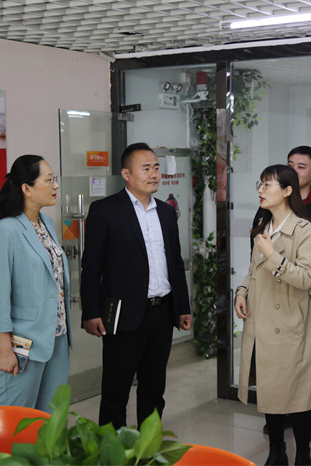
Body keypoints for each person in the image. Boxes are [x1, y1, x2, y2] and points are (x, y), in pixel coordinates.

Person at [80, 142, 192, 430]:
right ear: (126, 174)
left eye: (156, 168)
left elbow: (175, 263)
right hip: (122, 314)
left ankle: (148, 447)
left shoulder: (166, 212)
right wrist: (91, 312)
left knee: (154, 389)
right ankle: (112, 449)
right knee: (116, 391)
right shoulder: (105, 210)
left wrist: (182, 307)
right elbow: (91, 267)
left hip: (161, 312)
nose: (154, 174)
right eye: (146, 168)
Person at [253, 146, 311, 440]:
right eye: (290, 164)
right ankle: (281, 413)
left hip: (308, 298)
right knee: (278, 362)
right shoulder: (267, 209)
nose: (293, 169)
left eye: (301, 166)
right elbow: (256, 260)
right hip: (272, 300)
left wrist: (303, 290)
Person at [236, 164, 311, 466]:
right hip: (261, 321)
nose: (261, 190)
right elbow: (252, 271)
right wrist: (241, 292)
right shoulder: (263, 226)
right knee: (270, 390)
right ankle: (276, 451)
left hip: (289, 324)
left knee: (297, 394)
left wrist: (273, 256)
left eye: (268, 185)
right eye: (260, 184)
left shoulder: (304, 230)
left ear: (287, 191)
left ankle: (304, 454)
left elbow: (307, 278)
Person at [0, 154, 73, 412]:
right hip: (22, 341)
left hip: (56, 336)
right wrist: (4, 349)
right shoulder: (4, 231)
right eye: (49, 180)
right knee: (15, 418)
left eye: (55, 180)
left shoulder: (46, 223)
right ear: (26, 188)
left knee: (51, 419)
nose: (56, 186)